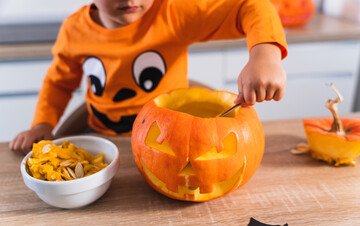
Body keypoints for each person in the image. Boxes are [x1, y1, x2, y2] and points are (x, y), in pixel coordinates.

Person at [10, 0, 288, 154]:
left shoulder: (172, 12)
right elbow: (58, 82)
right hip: (104, 141)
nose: (130, 0)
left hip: (171, 142)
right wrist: (42, 124)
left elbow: (251, 6)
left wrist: (264, 55)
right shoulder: (73, 30)